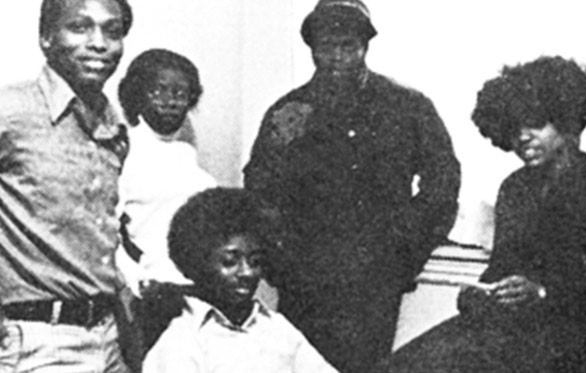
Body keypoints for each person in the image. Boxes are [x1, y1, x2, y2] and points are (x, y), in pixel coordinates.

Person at [243, 1, 461, 372]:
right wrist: (281, 261)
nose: (338, 57)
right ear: (312, 48)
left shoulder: (406, 106)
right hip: (305, 285)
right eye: (327, 46)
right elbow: (259, 189)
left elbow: (442, 183)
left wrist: (403, 252)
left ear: (366, 46)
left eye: (348, 45)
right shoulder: (287, 112)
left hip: (373, 285)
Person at [374, 56, 586, 373]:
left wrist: (542, 292)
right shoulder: (515, 189)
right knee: (401, 366)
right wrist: (480, 293)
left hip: (580, 334)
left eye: (536, 123)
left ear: (566, 120)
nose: (522, 137)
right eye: (514, 128)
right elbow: (500, 270)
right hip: (516, 329)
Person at [0, 0, 134, 372]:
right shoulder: (10, 111)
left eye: (113, 30)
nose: (99, 43)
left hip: (109, 339)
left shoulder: (113, 124)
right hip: (39, 342)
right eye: (80, 27)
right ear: (46, 38)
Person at [142, 187, 339, 373]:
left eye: (256, 261)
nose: (247, 273)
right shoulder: (183, 339)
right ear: (198, 263)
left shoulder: (277, 328)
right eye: (230, 262)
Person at [115, 48, 218, 350]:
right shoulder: (125, 150)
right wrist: (137, 282)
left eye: (180, 92)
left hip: (198, 293)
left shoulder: (186, 154)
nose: (171, 100)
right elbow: (107, 230)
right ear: (138, 95)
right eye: (158, 90)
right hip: (153, 298)